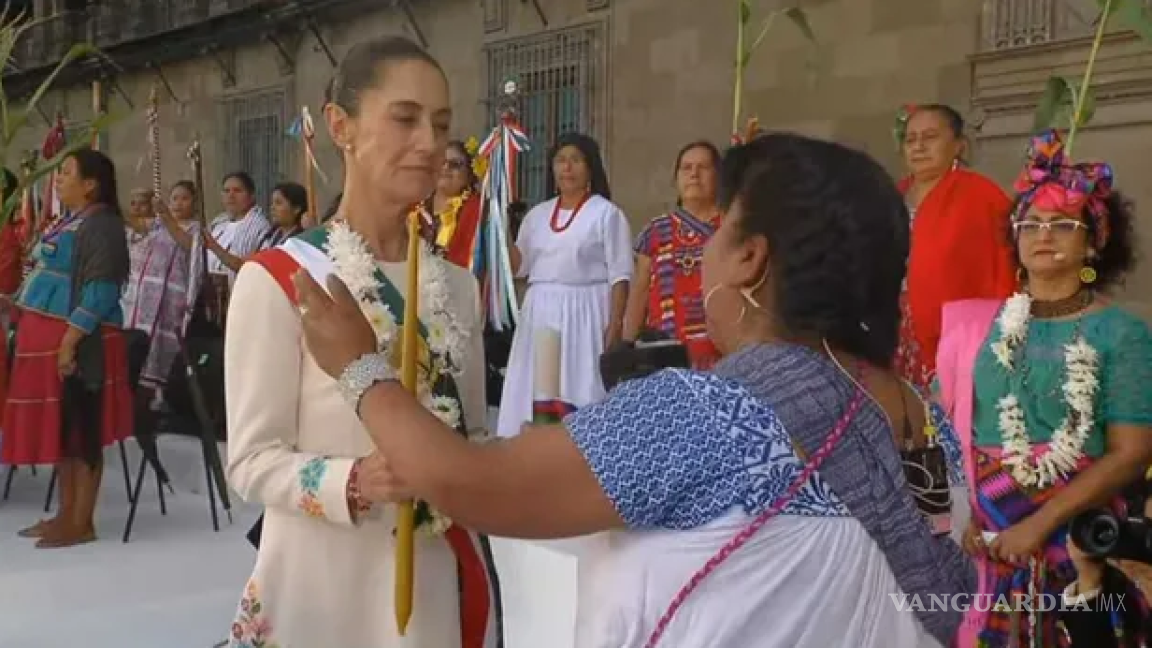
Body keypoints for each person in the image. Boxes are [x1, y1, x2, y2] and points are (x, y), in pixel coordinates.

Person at [291, 132, 975, 647]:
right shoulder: (926, 420)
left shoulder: (706, 415)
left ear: (749, 257)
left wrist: (359, 367)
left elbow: (472, 483)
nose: (700, 251)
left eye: (720, 230)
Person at [222, 36, 499, 647]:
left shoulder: (457, 284)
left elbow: (471, 434)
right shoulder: (279, 279)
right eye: (405, 118)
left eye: (442, 123)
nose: (430, 142)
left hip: (433, 581)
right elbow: (249, 462)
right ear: (340, 126)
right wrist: (352, 481)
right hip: (322, 585)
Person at [936, 129, 1152, 646]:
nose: (1042, 233)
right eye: (1029, 222)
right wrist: (963, 510)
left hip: (1079, 533)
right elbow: (948, 423)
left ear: (1095, 239)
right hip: (989, 533)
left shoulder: (1121, 331)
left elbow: (1131, 453)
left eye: (1062, 223)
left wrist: (1041, 523)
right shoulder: (975, 326)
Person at [2, 148, 133, 548]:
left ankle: (82, 521)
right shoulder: (72, 221)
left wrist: (69, 342)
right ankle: (64, 514)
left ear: (90, 184)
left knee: (81, 427)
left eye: (66, 172)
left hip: (81, 343)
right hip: (49, 340)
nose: (57, 178)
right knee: (64, 431)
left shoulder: (103, 226)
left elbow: (101, 289)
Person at [496, 132, 632, 438]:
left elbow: (621, 275)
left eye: (575, 160)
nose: (566, 168)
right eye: (560, 161)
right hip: (542, 312)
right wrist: (500, 229)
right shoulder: (537, 215)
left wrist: (616, 324)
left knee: (581, 387)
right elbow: (521, 267)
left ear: (590, 168)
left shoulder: (606, 214)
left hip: (586, 313)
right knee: (542, 388)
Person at [895, 104, 1016, 393]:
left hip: (959, 332)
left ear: (959, 145)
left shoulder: (982, 196)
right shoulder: (891, 195)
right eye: (910, 139)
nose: (919, 146)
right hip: (894, 329)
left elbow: (1004, 265)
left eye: (930, 137)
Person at [623, 140, 722, 369]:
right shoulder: (655, 231)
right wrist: (627, 345)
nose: (694, 174)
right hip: (666, 353)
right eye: (686, 168)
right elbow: (640, 291)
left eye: (703, 167)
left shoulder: (731, 228)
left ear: (719, 176)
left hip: (722, 354)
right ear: (676, 178)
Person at [123, 181, 202, 397]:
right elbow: (136, 225)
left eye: (184, 198)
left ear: (194, 203)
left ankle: (161, 397)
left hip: (170, 300)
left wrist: (166, 217)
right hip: (144, 300)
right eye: (174, 198)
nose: (178, 203)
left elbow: (188, 245)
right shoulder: (157, 225)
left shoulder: (196, 228)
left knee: (162, 350)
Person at [201, 171, 270, 328]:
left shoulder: (260, 227)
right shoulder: (218, 224)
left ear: (251, 196)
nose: (231, 195)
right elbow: (194, 249)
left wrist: (214, 247)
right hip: (210, 300)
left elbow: (250, 267)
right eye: (226, 191)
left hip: (239, 300)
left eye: (238, 191)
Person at [421, 139, 484, 272]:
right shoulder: (414, 207)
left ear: (469, 174)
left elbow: (511, 265)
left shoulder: (481, 211)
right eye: (441, 162)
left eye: (455, 164)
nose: (445, 168)